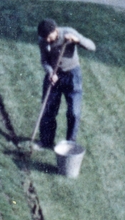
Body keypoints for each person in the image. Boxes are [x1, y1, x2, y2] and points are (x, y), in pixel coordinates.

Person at [37, 18, 94, 148]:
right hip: (54, 77)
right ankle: (46, 141)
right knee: (48, 110)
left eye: (49, 38)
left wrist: (77, 40)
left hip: (72, 75)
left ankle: (70, 144)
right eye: (44, 38)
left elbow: (92, 46)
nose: (47, 41)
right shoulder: (43, 40)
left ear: (56, 30)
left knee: (74, 112)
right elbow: (44, 60)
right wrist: (50, 72)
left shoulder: (68, 32)